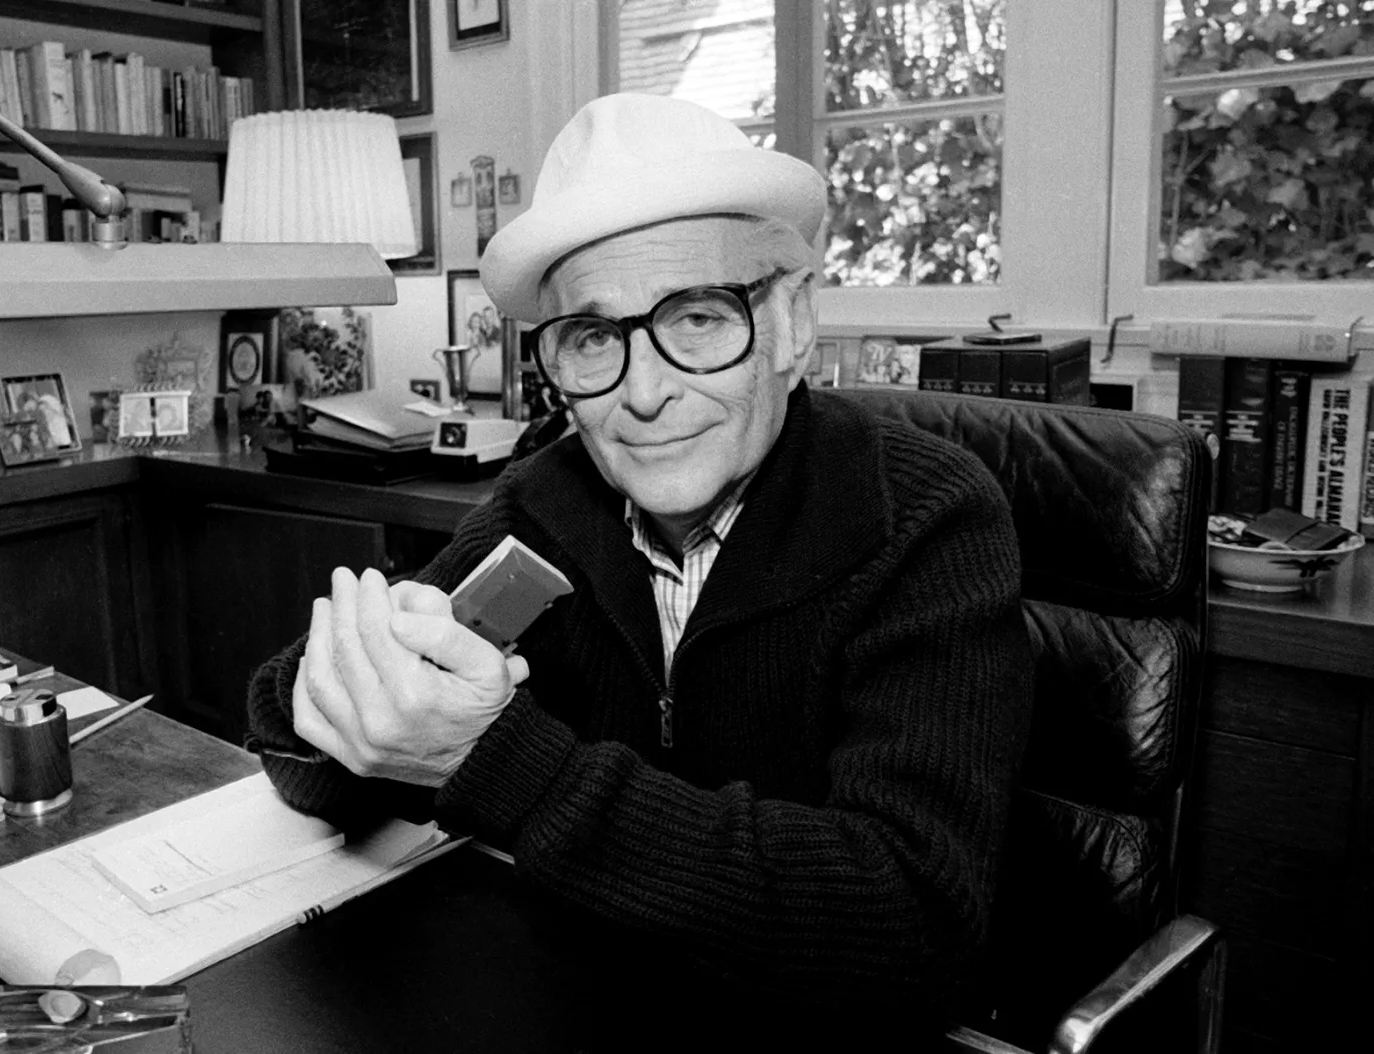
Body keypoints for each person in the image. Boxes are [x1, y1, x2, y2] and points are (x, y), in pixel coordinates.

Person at [245, 93, 1032, 1040]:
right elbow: (307, 760)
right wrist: (338, 697)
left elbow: (914, 928)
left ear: (791, 322)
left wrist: (495, 765)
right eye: (593, 338)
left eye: (698, 318)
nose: (646, 393)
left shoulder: (926, 515)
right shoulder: (546, 500)